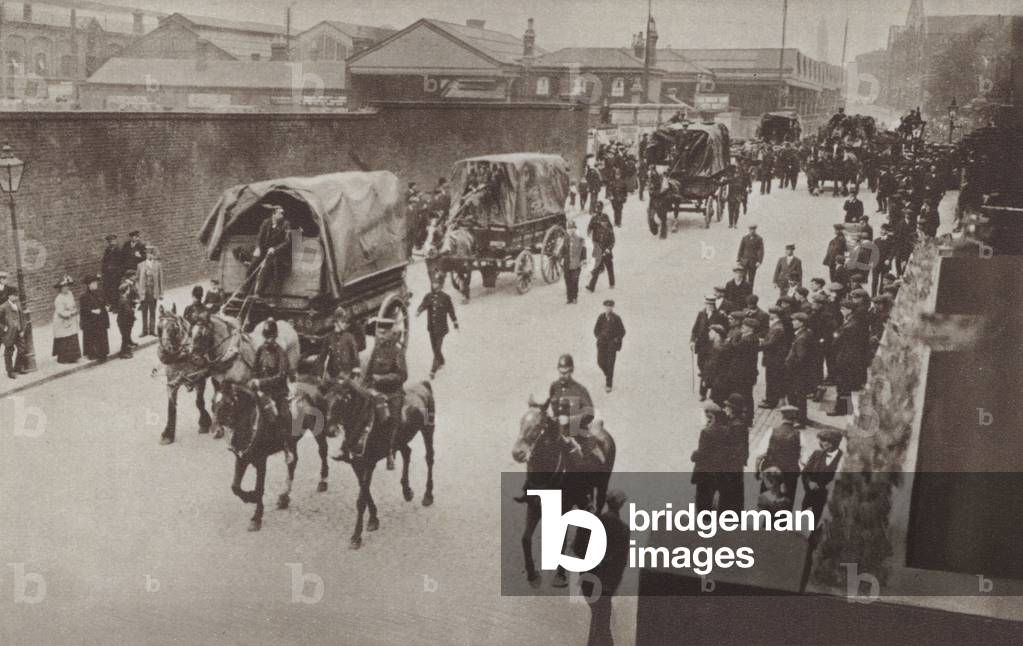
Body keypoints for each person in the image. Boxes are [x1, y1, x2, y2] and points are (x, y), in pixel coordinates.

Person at [344, 326, 408, 469]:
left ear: (394, 336)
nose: (380, 336)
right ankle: (350, 444)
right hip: (375, 389)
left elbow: (402, 376)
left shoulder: (398, 352)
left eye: (384, 333)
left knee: (392, 419)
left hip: (393, 393)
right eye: (380, 333)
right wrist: (365, 385)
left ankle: (390, 451)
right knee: (358, 410)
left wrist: (381, 378)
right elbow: (369, 373)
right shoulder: (377, 349)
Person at [582, 489, 630, 646]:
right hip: (607, 584)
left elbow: (579, 548)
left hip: (589, 580)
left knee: (598, 618)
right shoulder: (624, 530)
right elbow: (622, 563)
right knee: (602, 624)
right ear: (621, 505)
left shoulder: (596, 522)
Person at [247, 318, 295, 464]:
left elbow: (281, 376)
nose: (268, 340)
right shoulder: (260, 350)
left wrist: (261, 382)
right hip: (262, 390)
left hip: (277, 392)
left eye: (271, 337)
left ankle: (287, 448)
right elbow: (254, 369)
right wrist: (254, 380)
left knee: (283, 416)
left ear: (275, 337)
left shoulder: (281, 353)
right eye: (266, 337)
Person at [756, 404, 801, 511]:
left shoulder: (771, 432)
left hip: (770, 475)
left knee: (765, 506)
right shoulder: (799, 435)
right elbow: (805, 460)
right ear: (795, 419)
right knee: (785, 508)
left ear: (782, 417)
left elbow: (759, 455)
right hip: (789, 477)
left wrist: (757, 472)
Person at [417, 277, 459, 378]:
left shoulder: (445, 297)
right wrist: (419, 310)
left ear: (440, 285)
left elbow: (451, 310)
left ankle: (433, 370)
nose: (434, 286)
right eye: (433, 283)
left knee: (437, 348)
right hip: (431, 327)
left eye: (436, 284)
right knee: (434, 348)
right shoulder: (428, 296)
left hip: (441, 328)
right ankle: (441, 361)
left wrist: (455, 322)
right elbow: (423, 305)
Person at [801, 429, 844, 528]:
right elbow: (805, 473)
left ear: (832, 443)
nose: (821, 443)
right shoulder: (817, 454)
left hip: (826, 500)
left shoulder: (842, 459)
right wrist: (809, 483)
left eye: (824, 440)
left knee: (819, 526)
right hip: (810, 496)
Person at [691, 403, 730, 511]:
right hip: (719, 473)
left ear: (711, 415)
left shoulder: (706, 432)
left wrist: (694, 455)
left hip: (705, 473)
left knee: (703, 504)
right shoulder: (726, 430)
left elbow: (701, 453)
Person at [690, 296, 726, 401]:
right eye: (707, 304)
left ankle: (703, 392)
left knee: (708, 369)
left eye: (711, 304)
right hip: (701, 347)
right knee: (701, 367)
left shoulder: (719, 315)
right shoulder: (701, 314)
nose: (709, 306)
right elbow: (695, 329)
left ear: (714, 305)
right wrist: (692, 341)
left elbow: (723, 331)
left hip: (713, 347)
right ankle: (706, 385)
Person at [784, 312, 816, 427]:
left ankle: (799, 419)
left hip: (797, 372)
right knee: (799, 395)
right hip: (802, 372)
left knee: (796, 395)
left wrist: (791, 367)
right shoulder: (805, 333)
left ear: (801, 323)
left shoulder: (801, 337)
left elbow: (801, 357)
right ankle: (800, 417)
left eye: (795, 320)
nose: (793, 322)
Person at [253, 205, 292, 295]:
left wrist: (275, 249)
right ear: (273, 214)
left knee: (269, 268)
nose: (282, 215)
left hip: (280, 253)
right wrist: (258, 248)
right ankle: (245, 292)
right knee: (253, 264)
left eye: (283, 213)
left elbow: (287, 241)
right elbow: (260, 236)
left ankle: (260, 294)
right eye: (280, 213)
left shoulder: (286, 224)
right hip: (265, 251)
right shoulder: (266, 222)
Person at [758, 306, 790, 409]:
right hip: (774, 358)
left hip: (774, 358)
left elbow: (770, 343)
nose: (769, 315)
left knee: (772, 380)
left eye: (771, 313)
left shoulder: (777, 328)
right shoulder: (777, 325)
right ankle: (770, 398)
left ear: (775, 315)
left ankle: (771, 401)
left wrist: (760, 344)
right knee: (772, 379)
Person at [594, 299, 625, 393]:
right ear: (604, 307)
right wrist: (599, 337)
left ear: (612, 307)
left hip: (612, 344)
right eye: (606, 307)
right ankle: (608, 374)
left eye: (610, 307)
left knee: (610, 364)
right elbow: (596, 329)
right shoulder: (601, 317)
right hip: (602, 344)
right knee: (600, 362)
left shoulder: (617, 318)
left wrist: (617, 339)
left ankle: (609, 384)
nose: (608, 308)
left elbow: (622, 331)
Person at [323, 307, 361, 381]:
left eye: (345, 322)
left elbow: (355, 356)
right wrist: (321, 374)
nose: (345, 324)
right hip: (332, 374)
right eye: (342, 322)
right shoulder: (329, 337)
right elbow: (322, 356)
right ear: (336, 322)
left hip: (346, 374)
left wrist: (355, 373)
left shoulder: (349, 337)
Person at [52, 275, 81, 364]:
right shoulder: (59, 299)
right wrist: (70, 313)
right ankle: (64, 358)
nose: (66, 288)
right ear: (60, 288)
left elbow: (73, 304)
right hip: (62, 320)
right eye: (64, 287)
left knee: (72, 336)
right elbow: (60, 312)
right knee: (64, 337)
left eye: (67, 286)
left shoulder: (70, 294)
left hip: (71, 318)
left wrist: (74, 310)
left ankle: (73, 356)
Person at [587, 202, 616, 293]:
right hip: (599, 249)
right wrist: (589, 234)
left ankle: (612, 283)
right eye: (597, 207)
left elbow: (612, 240)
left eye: (600, 207)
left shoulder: (608, 228)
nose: (603, 223)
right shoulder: (594, 218)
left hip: (607, 253)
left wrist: (608, 249)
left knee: (610, 268)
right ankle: (591, 287)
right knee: (596, 269)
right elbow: (590, 227)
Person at [79, 275, 109, 361]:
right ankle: (92, 354)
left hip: (101, 318)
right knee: (92, 337)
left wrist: (107, 305)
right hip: (91, 320)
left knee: (102, 336)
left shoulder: (100, 292)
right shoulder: (84, 296)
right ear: (89, 285)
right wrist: (92, 311)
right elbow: (83, 310)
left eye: (96, 283)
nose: (95, 285)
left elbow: (105, 301)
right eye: (93, 283)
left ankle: (103, 353)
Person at [136, 244, 164, 337]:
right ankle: (144, 331)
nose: (149, 255)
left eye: (151, 253)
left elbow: (161, 280)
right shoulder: (140, 265)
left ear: (153, 254)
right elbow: (137, 279)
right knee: (144, 311)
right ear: (145, 254)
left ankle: (152, 330)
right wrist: (138, 291)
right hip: (144, 291)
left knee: (152, 311)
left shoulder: (158, 265)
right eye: (148, 253)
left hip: (153, 291)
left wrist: (161, 293)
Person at [0, 287, 24, 379]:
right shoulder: (3, 307)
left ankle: (17, 368)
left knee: (22, 349)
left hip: (18, 332)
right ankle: (10, 372)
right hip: (9, 334)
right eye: (14, 296)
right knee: (9, 352)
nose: (16, 297)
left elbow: (22, 317)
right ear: (9, 296)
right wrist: (4, 328)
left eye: (17, 295)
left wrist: (22, 329)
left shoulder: (18, 304)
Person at [562, 220, 586, 304]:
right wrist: (560, 258)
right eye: (569, 229)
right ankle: (569, 298)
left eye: (572, 228)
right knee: (568, 281)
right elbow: (562, 250)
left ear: (575, 229)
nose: (571, 230)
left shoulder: (580, 239)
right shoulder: (565, 239)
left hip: (576, 264)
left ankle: (575, 297)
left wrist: (583, 260)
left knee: (574, 281)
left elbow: (583, 250)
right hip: (567, 264)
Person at [116, 271, 139, 359]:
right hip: (124, 321)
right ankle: (123, 352)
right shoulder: (124, 300)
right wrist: (133, 312)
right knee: (125, 336)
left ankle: (126, 349)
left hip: (125, 320)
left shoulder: (124, 299)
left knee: (126, 335)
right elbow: (127, 311)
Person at [100, 234, 123, 307]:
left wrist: (118, 272)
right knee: (109, 289)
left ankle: (117, 306)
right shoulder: (107, 250)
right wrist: (103, 270)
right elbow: (104, 261)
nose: (112, 243)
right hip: (108, 274)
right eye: (110, 241)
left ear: (115, 241)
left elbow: (121, 262)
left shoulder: (119, 250)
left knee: (116, 289)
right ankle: (113, 304)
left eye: (113, 241)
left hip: (115, 274)